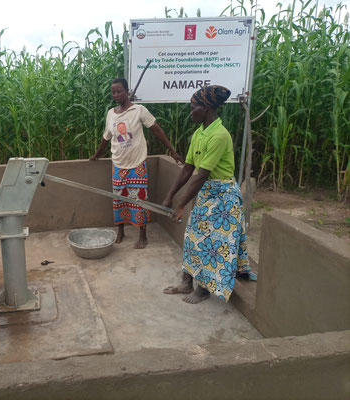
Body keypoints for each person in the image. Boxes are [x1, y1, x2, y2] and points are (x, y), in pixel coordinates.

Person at [161, 85, 250, 304]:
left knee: (211, 245)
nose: (191, 112)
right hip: (207, 193)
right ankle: (186, 282)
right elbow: (188, 168)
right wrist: (169, 196)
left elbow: (201, 176)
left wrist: (181, 204)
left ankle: (203, 289)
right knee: (192, 238)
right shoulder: (199, 133)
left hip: (223, 197)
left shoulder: (219, 135)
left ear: (206, 108)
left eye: (193, 108)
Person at [90, 77, 183, 249]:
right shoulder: (111, 113)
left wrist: (173, 151)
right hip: (118, 164)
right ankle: (121, 231)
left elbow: (157, 130)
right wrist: (96, 155)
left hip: (137, 164)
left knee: (140, 200)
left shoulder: (139, 110)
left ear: (127, 91)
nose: (116, 94)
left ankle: (143, 236)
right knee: (118, 200)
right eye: (113, 92)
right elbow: (106, 137)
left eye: (119, 91)